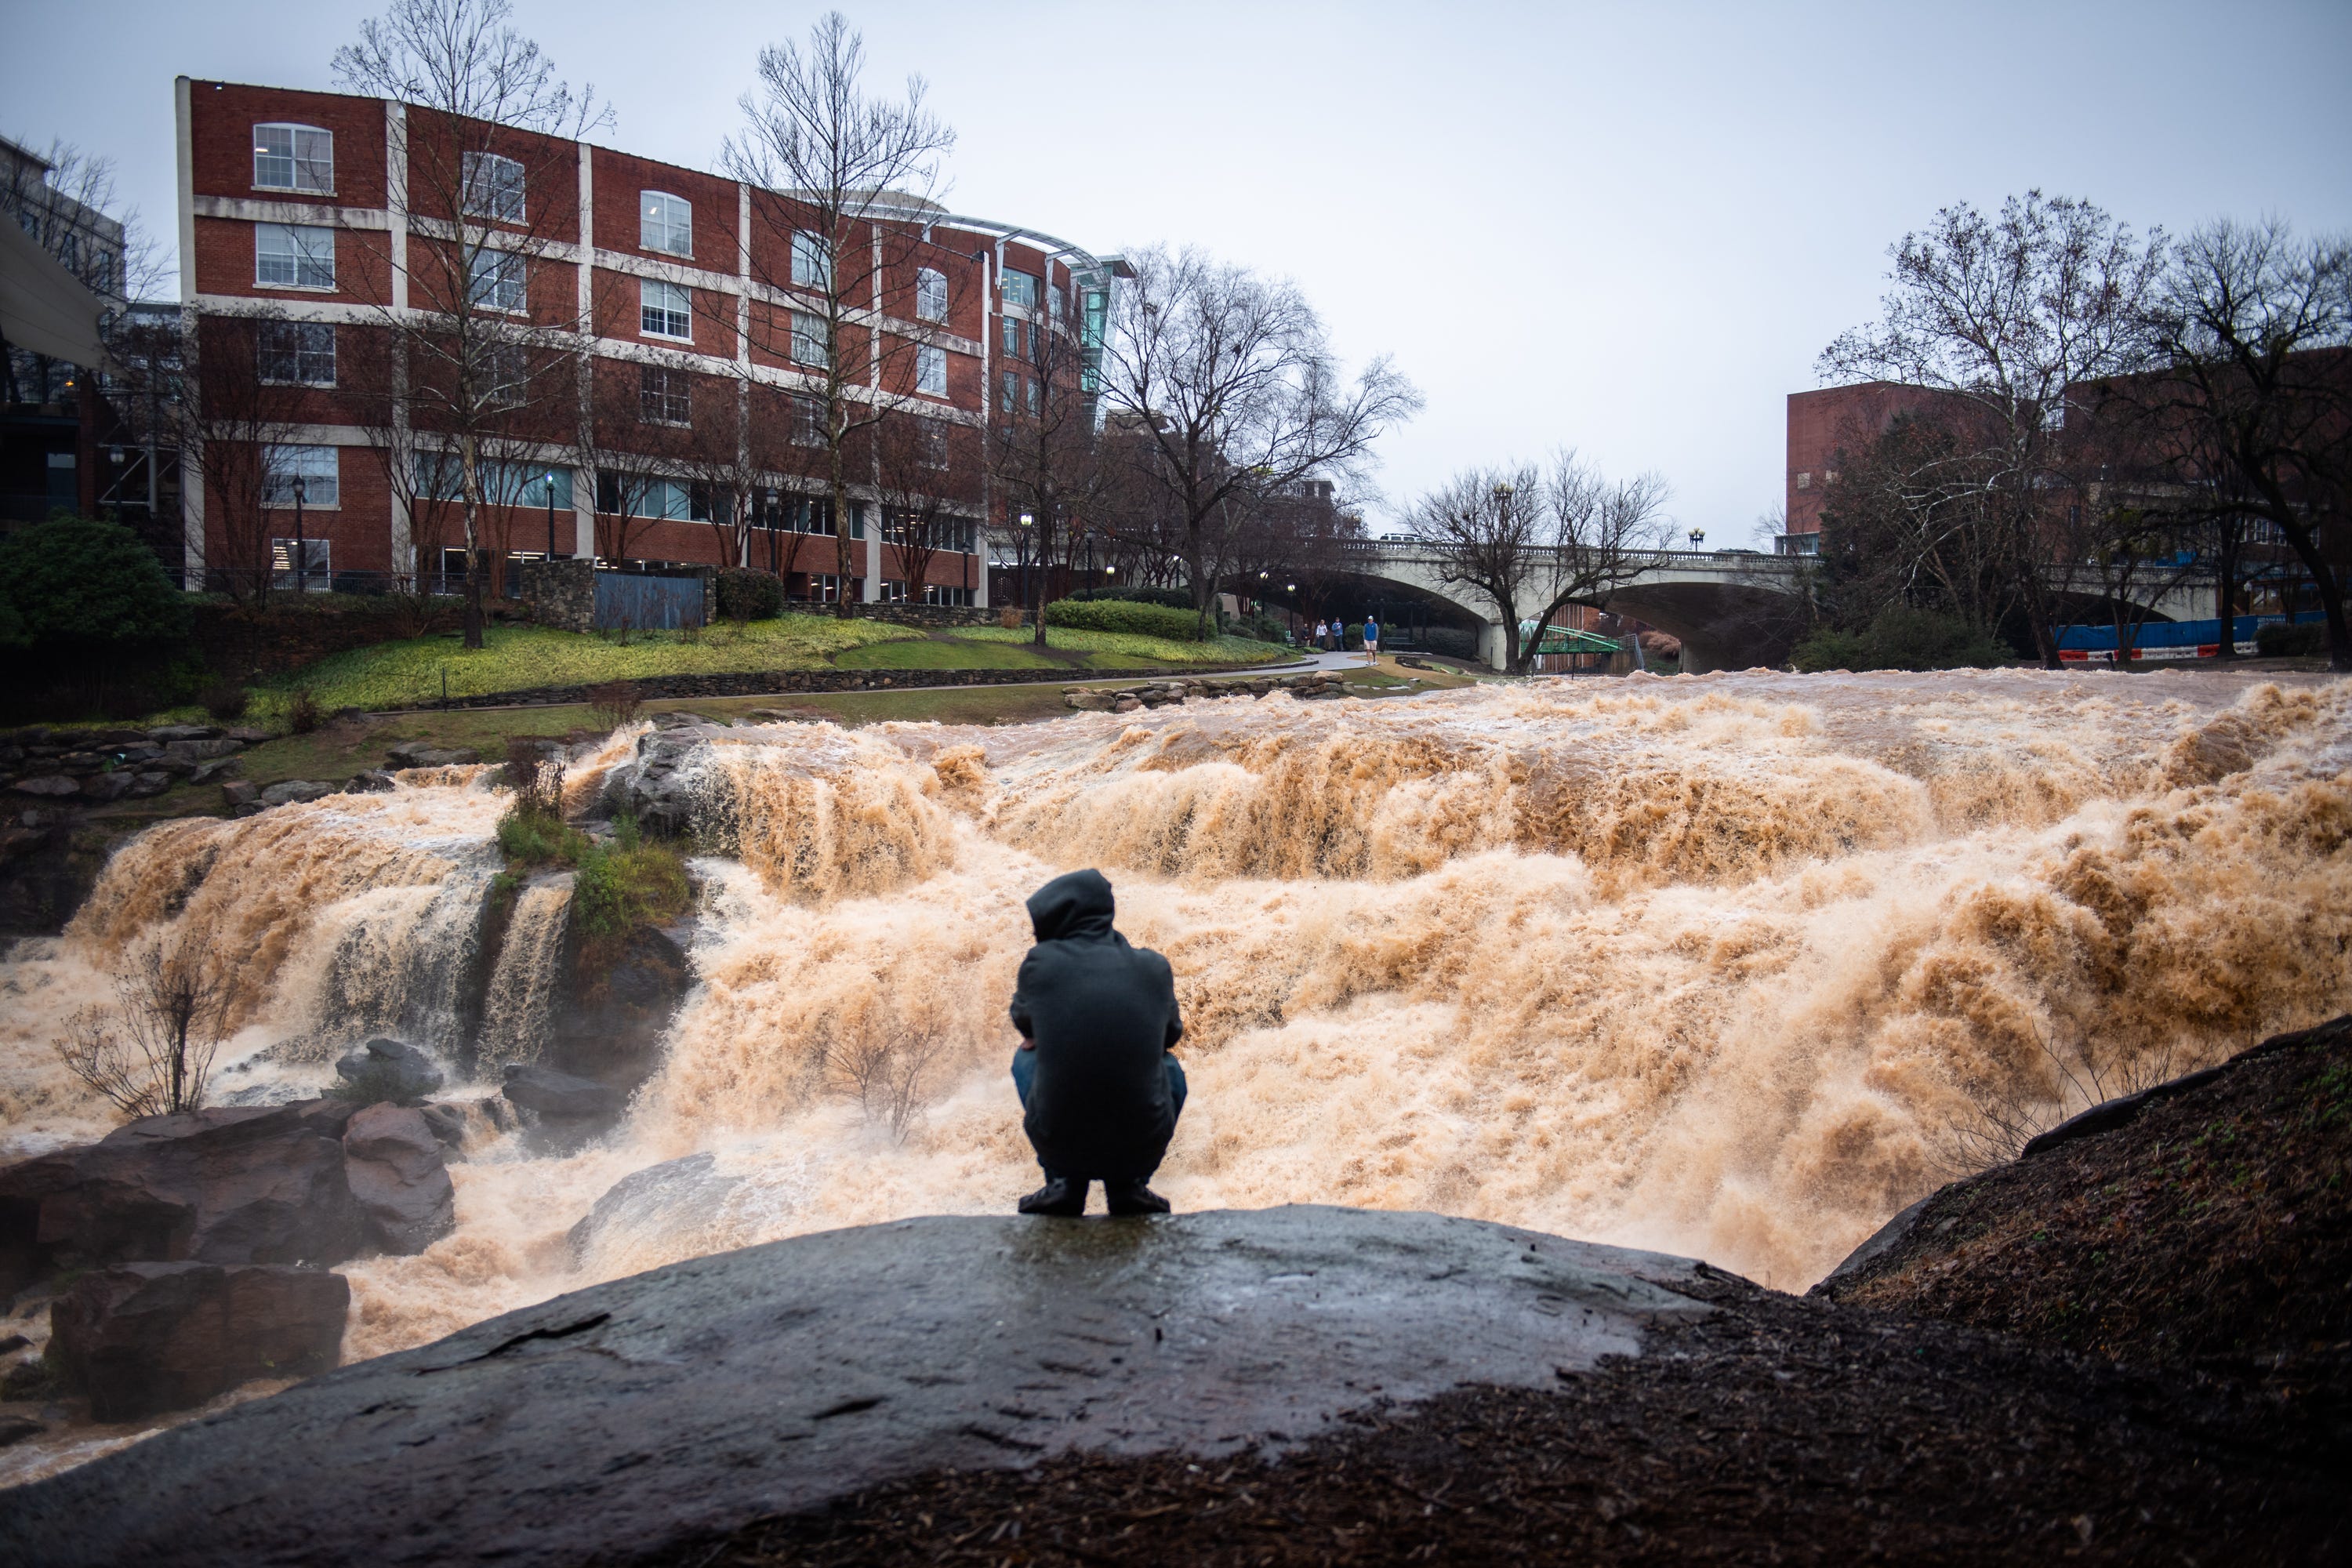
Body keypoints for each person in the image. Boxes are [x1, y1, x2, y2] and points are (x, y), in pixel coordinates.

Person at [1007, 869, 1187, 1217]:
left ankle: (1061, 1184)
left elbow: (1023, 1022)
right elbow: (1172, 1035)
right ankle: (1131, 1187)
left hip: (1058, 1141)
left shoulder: (1039, 964)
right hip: (1141, 1142)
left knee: (1028, 1055)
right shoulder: (1154, 966)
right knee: (1168, 1066)